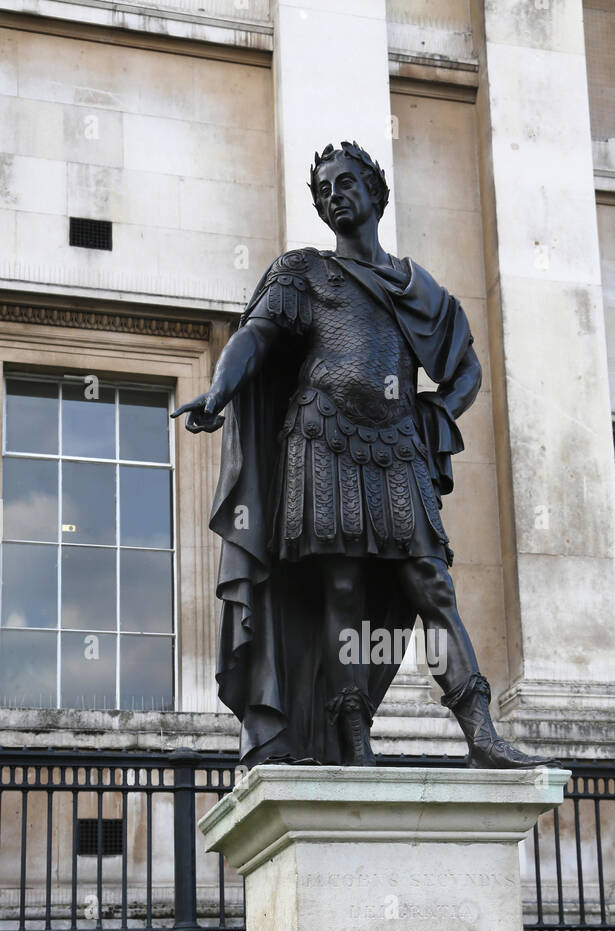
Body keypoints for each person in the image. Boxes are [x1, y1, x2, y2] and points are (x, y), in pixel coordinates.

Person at [173, 140, 542, 770]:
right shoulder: (304, 273)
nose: (334, 195)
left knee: (431, 582)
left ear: (376, 192)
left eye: (345, 183)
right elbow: (255, 337)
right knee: (340, 589)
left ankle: (480, 731)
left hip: (397, 445)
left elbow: (466, 370)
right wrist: (219, 389)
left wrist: (438, 413)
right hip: (322, 437)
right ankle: (353, 740)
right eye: (323, 191)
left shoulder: (416, 289)